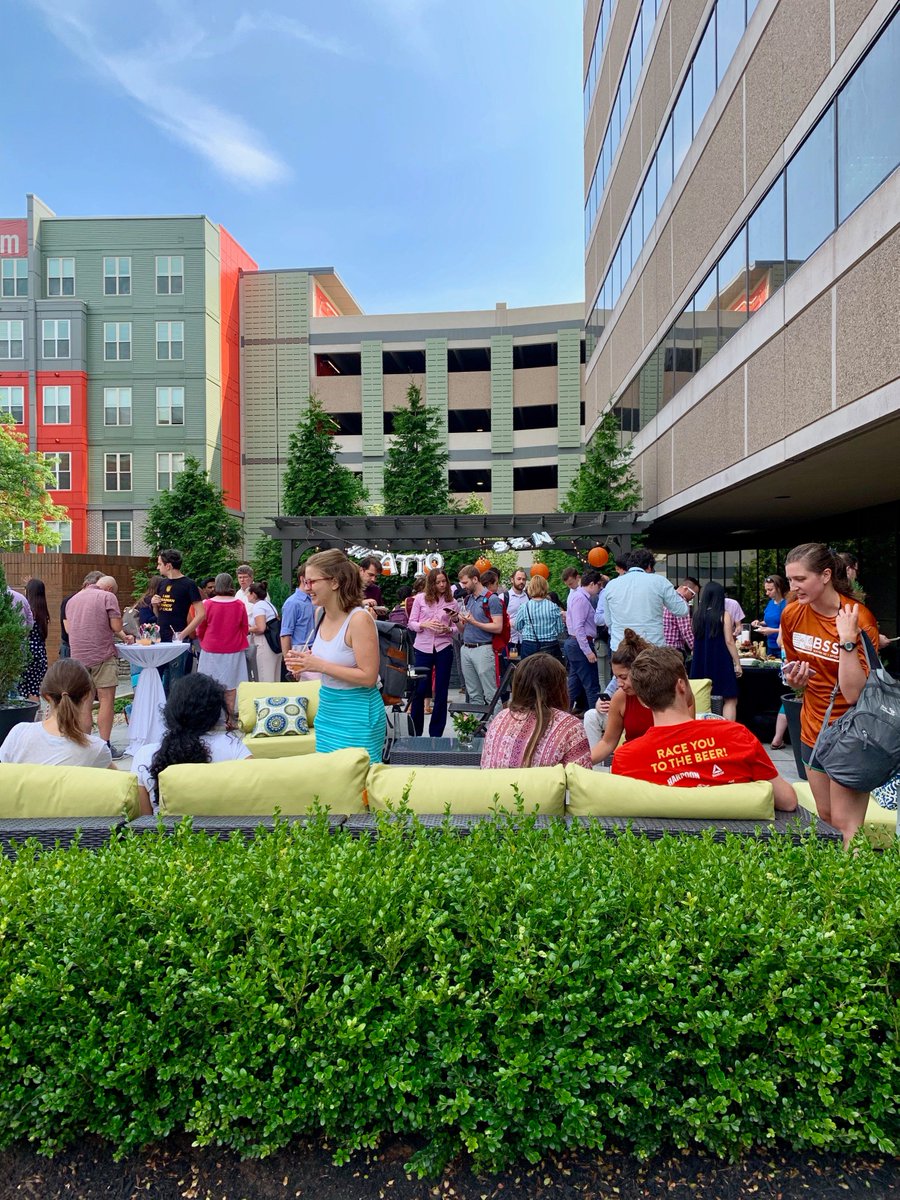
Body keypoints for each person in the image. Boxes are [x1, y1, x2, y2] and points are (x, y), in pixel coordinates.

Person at [612, 646, 797, 811]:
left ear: (643, 700)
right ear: (682, 685)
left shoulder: (625, 759)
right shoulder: (736, 735)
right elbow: (788, 801)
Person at [781, 543, 879, 847]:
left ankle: (850, 892)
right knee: (825, 818)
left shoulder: (858, 619)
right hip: (814, 728)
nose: (794, 587)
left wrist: (847, 641)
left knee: (847, 825)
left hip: (853, 734)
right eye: (790, 580)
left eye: (800, 579)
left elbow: (854, 693)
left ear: (825, 575)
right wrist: (794, 678)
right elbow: (795, 675)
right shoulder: (793, 614)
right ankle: (830, 891)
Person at [285, 549, 386, 763]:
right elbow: (333, 658)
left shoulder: (359, 620)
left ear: (335, 582)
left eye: (312, 581)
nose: (307, 588)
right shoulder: (319, 614)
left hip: (357, 713)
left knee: (358, 785)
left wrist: (318, 664)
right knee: (331, 783)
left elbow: (368, 677)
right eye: (305, 581)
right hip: (328, 708)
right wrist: (305, 662)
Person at [133, 673, 251, 814]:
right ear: (215, 712)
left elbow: (144, 820)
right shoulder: (233, 747)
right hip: (226, 833)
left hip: (166, 834)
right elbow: (252, 795)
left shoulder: (144, 755)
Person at [480, 653, 592, 770]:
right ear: (560, 687)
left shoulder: (500, 717)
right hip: (541, 788)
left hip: (496, 787)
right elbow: (582, 781)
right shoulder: (570, 727)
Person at [0, 658, 115, 771]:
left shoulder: (19, 733)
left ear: (46, 696)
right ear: (86, 696)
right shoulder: (96, 749)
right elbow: (124, 784)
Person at [64, 574, 131, 759]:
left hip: (78, 658)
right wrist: (124, 635)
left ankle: (86, 745)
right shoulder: (107, 597)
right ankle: (105, 747)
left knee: (84, 702)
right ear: (109, 589)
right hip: (102, 655)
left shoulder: (73, 600)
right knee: (106, 701)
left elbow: (71, 628)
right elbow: (116, 626)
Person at [178, 573, 249, 715]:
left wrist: (205, 641)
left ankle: (210, 717)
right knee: (231, 684)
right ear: (231, 585)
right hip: (233, 649)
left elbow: (200, 628)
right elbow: (244, 628)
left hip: (211, 649)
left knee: (208, 684)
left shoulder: (207, 604)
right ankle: (229, 717)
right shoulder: (239, 604)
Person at [586, 629, 656, 764]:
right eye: (616, 677)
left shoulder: (665, 693)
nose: (619, 684)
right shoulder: (621, 697)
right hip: (633, 760)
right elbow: (607, 742)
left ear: (641, 671)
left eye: (623, 677)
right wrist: (582, 764)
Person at [600, 548, 689, 650]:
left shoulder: (612, 585)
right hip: (652, 645)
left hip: (621, 646)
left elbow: (608, 621)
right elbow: (682, 610)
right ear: (649, 566)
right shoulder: (660, 582)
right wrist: (679, 594)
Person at [408, 567, 458, 737]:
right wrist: (424, 625)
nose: (442, 585)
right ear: (432, 583)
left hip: (444, 647)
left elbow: (457, 629)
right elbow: (411, 623)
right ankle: (416, 731)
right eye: (438, 582)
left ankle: (436, 734)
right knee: (419, 689)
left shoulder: (452, 602)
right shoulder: (420, 599)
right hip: (422, 647)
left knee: (442, 691)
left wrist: (448, 629)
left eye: (444, 581)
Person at [689, 581, 743, 722]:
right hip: (721, 661)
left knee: (701, 698)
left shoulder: (697, 616)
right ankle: (728, 733)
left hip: (700, 660)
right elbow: (729, 641)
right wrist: (737, 663)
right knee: (730, 699)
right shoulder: (723, 615)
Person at [454, 565, 505, 705]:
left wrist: (474, 622)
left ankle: (496, 725)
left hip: (484, 648)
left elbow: (498, 627)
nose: (463, 586)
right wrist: (455, 620)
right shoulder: (468, 599)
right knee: (474, 694)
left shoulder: (492, 599)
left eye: (465, 583)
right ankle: (478, 725)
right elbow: (463, 629)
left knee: (491, 693)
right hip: (466, 647)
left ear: (475, 579)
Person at [151, 550, 201, 693]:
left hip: (177, 641)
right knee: (158, 678)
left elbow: (201, 613)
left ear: (169, 566)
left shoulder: (188, 584)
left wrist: (183, 633)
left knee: (175, 681)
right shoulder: (162, 583)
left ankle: (174, 713)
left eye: (160, 564)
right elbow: (159, 614)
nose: (157, 567)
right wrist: (155, 605)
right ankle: (159, 711)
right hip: (160, 639)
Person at [563, 568, 603, 712]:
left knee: (574, 682)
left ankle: (562, 711)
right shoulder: (580, 598)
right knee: (591, 683)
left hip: (575, 642)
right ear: (592, 584)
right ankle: (596, 717)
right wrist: (587, 651)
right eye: (599, 585)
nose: (599, 589)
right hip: (581, 643)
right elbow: (579, 626)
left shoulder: (577, 596)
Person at [513, 574, 565, 660]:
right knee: (550, 672)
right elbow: (560, 629)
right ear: (545, 587)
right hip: (550, 645)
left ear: (530, 588)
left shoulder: (524, 607)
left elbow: (518, 626)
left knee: (529, 671)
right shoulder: (553, 606)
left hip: (529, 645)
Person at [18, 578, 50, 704]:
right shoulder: (42, 611)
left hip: (29, 652)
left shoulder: (29, 611)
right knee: (34, 688)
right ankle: (35, 715)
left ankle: (31, 718)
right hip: (40, 653)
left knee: (27, 689)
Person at [59, 571, 102, 659]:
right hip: (71, 647)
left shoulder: (96, 601)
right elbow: (68, 629)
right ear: (87, 585)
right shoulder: (69, 601)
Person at [247, 580, 282, 684]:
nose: (247, 596)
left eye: (249, 593)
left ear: (253, 594)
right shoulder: (269, 604)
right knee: (275, 677)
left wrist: (247, 629)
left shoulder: (258, 606)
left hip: (264, 643)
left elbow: (261, 628)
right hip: (275, 643)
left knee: (265, 676)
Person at [280, 563, 315, 659]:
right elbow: (285, 634)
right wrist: (289, 660)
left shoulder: (315, 599)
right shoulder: (292, 603)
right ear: (302, 579)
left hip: (316, 650)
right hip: (300, 650)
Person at [752, 574, 789, 657]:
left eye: (770, 590)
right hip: (770, 645)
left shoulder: (787, 604)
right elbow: (770, 620)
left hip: (783, 646)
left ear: (779, 588)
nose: (767, 593)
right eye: (766, 590)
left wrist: (772, 630)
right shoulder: (770, 603)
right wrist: (760, 623)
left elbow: (790, 628)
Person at [505, 568, 528, 653]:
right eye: (519, 579)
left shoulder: (528, 597)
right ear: (512, 580)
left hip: (525, 640)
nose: (521, 581)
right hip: (509, 640)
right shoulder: (504, 597)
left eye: (524, 579)